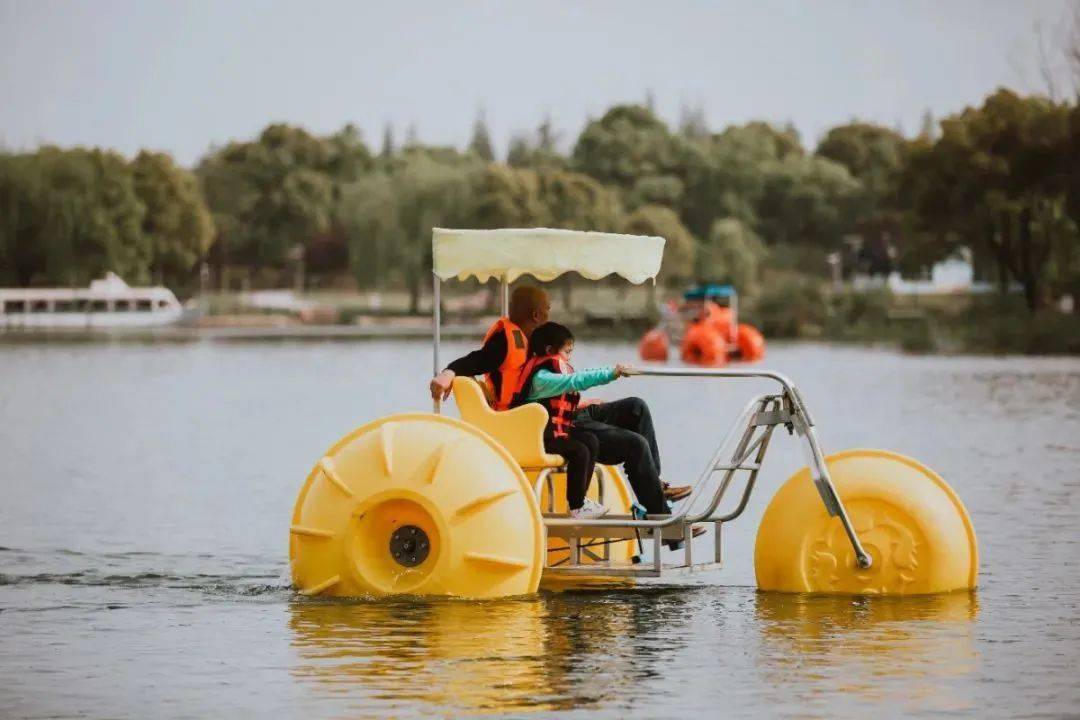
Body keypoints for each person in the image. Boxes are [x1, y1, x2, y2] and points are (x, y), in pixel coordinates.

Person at [514, 322, 632, 519]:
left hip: (551, 435)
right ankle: (576, 506)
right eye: (567, 352)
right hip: (538, 440)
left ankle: (581, 501)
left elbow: (554, 403)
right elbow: (575, 381)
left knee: (590, 440)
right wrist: (612, 373)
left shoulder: (546, 375)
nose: (569, 358)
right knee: (579, 450)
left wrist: (581, 404)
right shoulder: (542, 377)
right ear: (550, 350)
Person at [429, 285, 550, 408]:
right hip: (508, 419)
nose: (548, 317)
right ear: (536, 315)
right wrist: (449, 373)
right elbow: (475, 361)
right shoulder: (504, 342)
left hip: (529, 416)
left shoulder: (535, 344)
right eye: (547, 310)